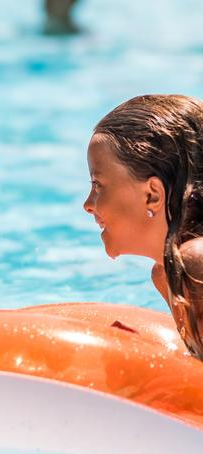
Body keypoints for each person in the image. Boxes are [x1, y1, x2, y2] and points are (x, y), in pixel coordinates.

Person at [83, 94, 203, 358]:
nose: (88, 204)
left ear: (153, 195)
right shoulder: (165, 275)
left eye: (97, 185)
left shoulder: (196, 265)